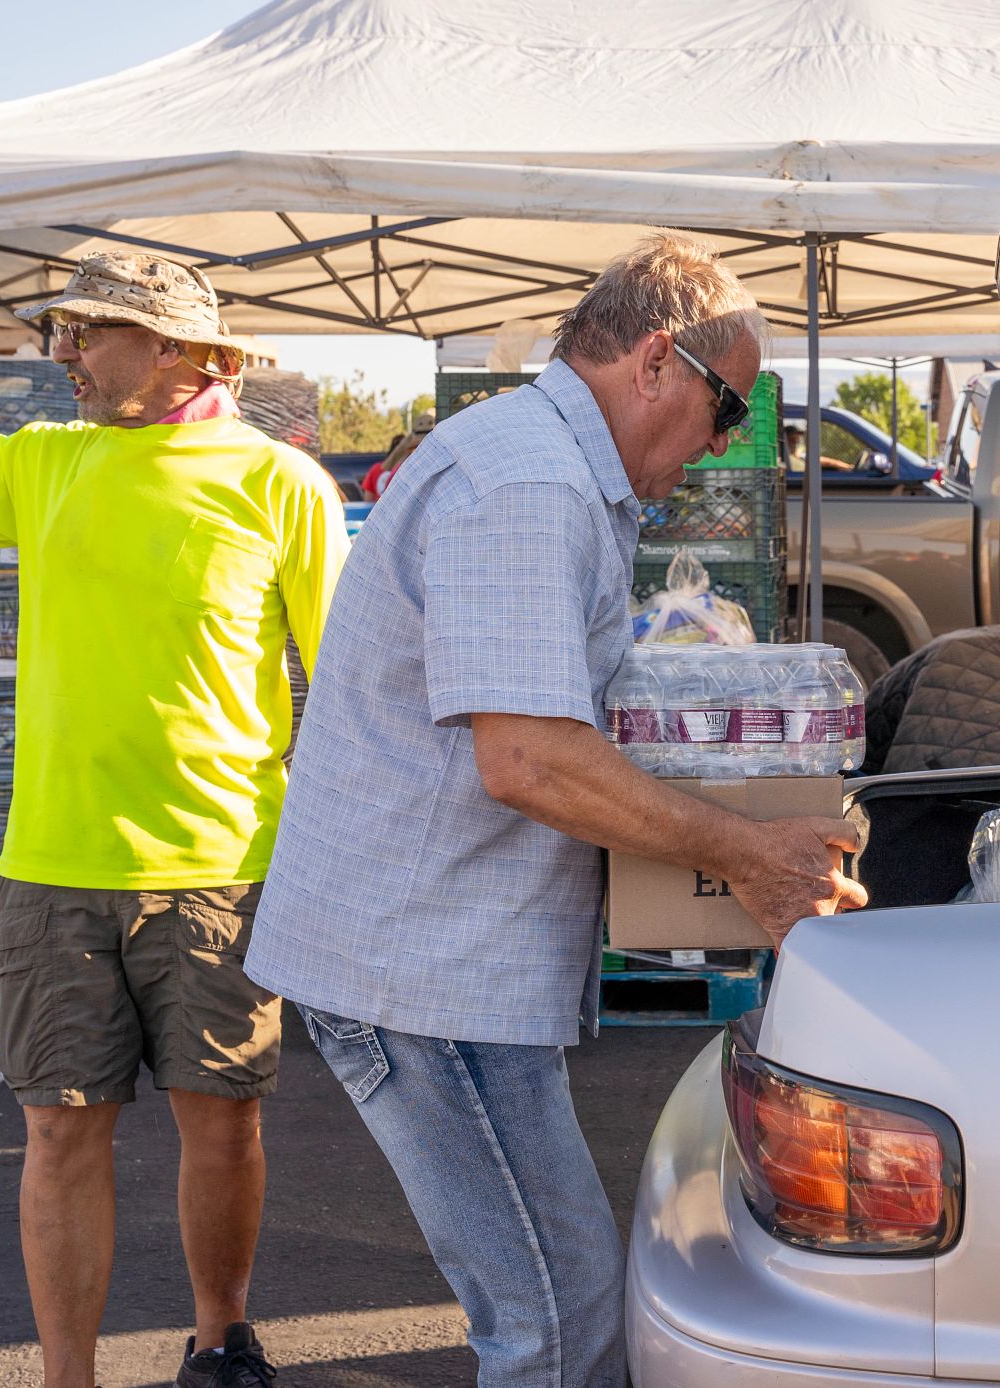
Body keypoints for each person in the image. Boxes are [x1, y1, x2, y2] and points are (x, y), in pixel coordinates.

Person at [242, 233, 868, 1387]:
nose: (725, 441)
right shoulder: (527, 484)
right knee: (557, 1315)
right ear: (655, 365)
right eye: (727, 409)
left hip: (438, 961)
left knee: (560, 1298)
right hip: (425, 973)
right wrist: (744, 855)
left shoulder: (541, 466)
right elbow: (529, 756)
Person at [0, 253, 346, 1388]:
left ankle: (220, 1335)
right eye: (60, 333)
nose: (65, 357)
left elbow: (348, 685)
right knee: (57, 1134)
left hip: (220, 868)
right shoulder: (41, 464)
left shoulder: (281, 484)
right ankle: (65, 1377)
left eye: (88, 334)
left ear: (176, 350)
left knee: (221, 1124)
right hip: (51, 865)